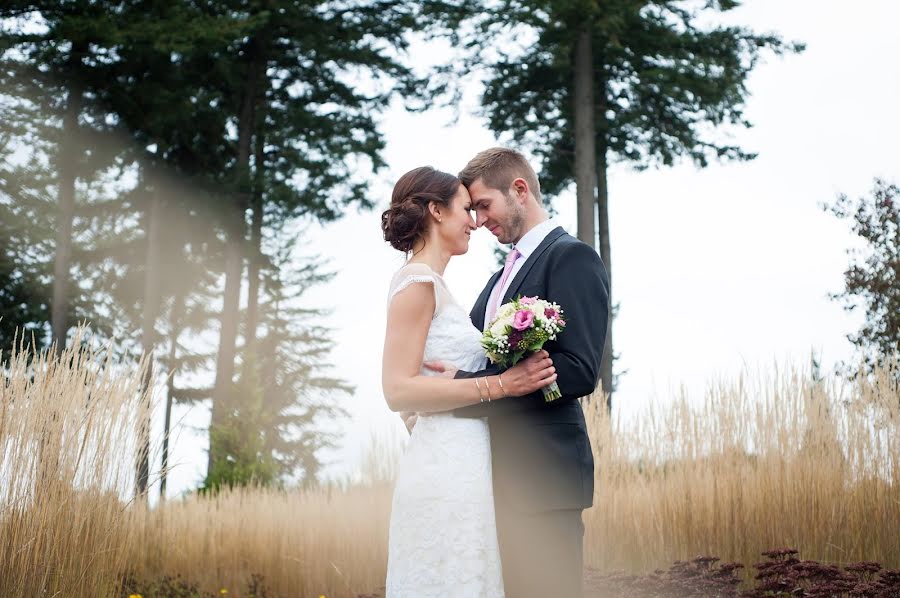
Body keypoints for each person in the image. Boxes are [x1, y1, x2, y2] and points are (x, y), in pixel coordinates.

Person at [420, 147, 610, 598]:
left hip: (543, 479)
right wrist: (430, 400)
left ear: (519, 190)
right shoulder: (502, 275)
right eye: (473, 210)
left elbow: (580, 370)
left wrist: (470, 389)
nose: (479, 220)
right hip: (490, 480)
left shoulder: (571, 258)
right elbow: (480, 360)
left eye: (484, 205)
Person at [381, 165, 557, 597]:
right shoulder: (418, 283)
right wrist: (504, 385)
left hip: (466, 462)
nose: (475, 223)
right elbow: (396, 389)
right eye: (466, 209)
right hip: (446, 469)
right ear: (436, 212)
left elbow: (421, 385)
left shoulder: (440, 287)